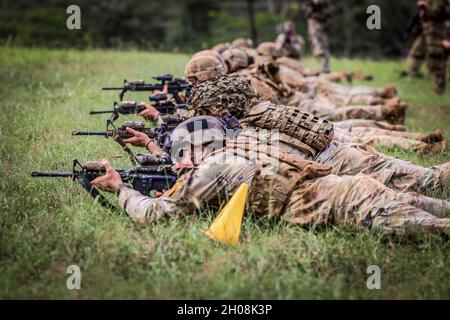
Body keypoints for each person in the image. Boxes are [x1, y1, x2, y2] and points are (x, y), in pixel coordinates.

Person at [91, 116, 450, 237]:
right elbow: (193, 171)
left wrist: (119, 188)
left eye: (182, 155)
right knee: (440, 206)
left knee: (440, 231)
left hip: (349, 203)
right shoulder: (242, 148)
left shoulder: (210, 170)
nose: (179, 163)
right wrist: (156, 150)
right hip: (354, 188)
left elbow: (156, 214)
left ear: (196, 151)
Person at [185, 74, 450, 195]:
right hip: (339, 151)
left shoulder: (243, 131)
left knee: (427, 180)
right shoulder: (251, 113)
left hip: (339, 159)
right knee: (418, 176)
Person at [304, 0, 331, 73]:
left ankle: (325, 68)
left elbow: (328, 13)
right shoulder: (310, 4)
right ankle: (324, 67)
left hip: (321, 26)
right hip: (314, 25)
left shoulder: (325, 5)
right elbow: (307, 12)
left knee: (321, 48)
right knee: (315, 47)